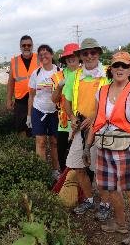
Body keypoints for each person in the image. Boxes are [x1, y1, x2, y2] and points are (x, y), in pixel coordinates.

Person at [83, 51, 130, 244]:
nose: (120, 69)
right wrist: (87, 146)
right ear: (111, 68)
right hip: (104, 146)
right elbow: (97, 120)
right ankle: (120, 225)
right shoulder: (101, 91)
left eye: (125, 66)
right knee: (111, 189)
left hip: (126, 148)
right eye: (116, 65)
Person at [62, 38, 111, 220]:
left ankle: (105, 204)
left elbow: (116, 98)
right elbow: (66, 100)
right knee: (77, 166)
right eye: (85, 53)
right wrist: (73, 118)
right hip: (79, 128)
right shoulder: (74, 76)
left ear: (98, 54)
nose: (89, 56)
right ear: (80, 56)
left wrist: (94, 118)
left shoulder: (108, 74)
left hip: (103, 129)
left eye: (93, 52)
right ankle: (90, 199)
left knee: (101, 170)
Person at [27, 44, 60, 180]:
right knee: (40, 142)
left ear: (52, 55)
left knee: (54, 142)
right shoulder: (36, 73)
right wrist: (29, 115)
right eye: (40, 54)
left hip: (55, 112)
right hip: (39, 110)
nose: (43, 55)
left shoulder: (59, 71)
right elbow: (31, 95)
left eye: (46, 53)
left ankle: (55, 170)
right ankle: (41, 172)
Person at [51, 43, 80, 172]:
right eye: (68, 56)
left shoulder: (87, 73)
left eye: (74, 55)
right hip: (63, 122)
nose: (71, 58)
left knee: (81, 155)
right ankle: (65, 183)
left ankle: (82, 186)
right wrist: (60, 87)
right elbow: (54, 99)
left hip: (82, 120)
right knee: (62, 153)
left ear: (79, 57)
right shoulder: (58, 76)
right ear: (64, 59)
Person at [6, 35, 40, 137]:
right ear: (20, 47)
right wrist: (8, 100)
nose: (26, 47)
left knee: (37, 129)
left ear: (32, 46)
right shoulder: (14, 61)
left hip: (36, 99)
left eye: (29, 45)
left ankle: (36, 150)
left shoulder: (40, 59)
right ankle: (23, 150)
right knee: (21, 128)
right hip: (20, 100)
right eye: (23, 45)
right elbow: (11, 82)